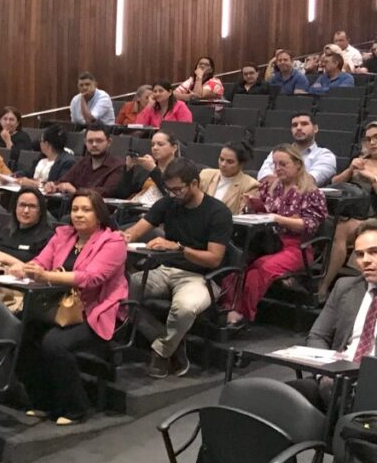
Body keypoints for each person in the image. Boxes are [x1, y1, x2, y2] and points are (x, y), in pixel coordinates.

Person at [8, 189, 127, 425]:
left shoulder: (113, 242)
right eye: (74, 209)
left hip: (94, 312)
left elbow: (91, 278)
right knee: (19, 333)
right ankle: (42, 402)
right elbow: (41, 261)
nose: (78, 215)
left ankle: (75, 407)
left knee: (53, 343)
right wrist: (28, 268)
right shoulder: (63, 235)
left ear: (99, 214)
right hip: (56, 306)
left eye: (86, 210)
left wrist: (46, 275)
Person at [124, 159, 234, 378]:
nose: (173, 195)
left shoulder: (218, 212)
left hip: (201, 276)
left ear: (194, 184)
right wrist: (117, 238)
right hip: (166, 270)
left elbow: (214, 259)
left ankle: (162, 351)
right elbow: (135, 232)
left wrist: (180, 248)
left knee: (184, 308)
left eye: (177, 189)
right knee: (122, 291)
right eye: (169, 190)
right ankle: (172, 341)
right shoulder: (168, 203)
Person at [222, 145, 327, 326]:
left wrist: (279, 219)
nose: (278, 169)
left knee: (261, 267)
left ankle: (243, 313)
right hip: (268, 241)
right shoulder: (271, 187)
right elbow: (265, 212)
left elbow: (309, 224)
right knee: (236, 260)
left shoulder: (311, 193)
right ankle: (228, 307)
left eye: (283, 164)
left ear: (298, 165)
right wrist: (254, 205)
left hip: (297, 246)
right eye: (275, 164)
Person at [291, 220, 377, 413]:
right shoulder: (345, 287)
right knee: (276, 398)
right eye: (360, 254)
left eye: (374, 252)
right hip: (338, 377)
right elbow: (317, 336)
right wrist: (327, 374)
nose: (366, 260)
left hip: (372, 386)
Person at [324, 121, 377, 293]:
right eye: (368, 139)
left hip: (372, 215)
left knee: (341, 229)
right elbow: (334, 184)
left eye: (376, 137)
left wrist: (369, 176)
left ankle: (323, 287)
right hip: (350, 211)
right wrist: (350, 170)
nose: (372, 142)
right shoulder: (361, 160)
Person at [257, 112, 336, 187]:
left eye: (304, 124)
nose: (298, 128)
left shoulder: (325, 155)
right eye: (294, 125)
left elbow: (309, 181)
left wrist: (277, 180)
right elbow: (263, 178)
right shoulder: (278, 152)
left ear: (315, 129)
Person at [44, 123, 123, 198]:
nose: (94, 144)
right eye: (90, 141)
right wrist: (53, 185)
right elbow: (63, 180)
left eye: (99, 141)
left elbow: (107, 191)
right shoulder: (82, 163)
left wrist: (76, 192)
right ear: (85, 142)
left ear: (109, 142)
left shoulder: (117, 165)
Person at [0, 188, 55, 264]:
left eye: (32, 206)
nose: (26, 211)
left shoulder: (48, 237)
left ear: (41, 210)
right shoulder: (4, 230)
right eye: (22, 205)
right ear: (15, 208)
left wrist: (6, 259)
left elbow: (37, 271)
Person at [110, 131, 181, 207]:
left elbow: (172, 194)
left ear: (174, 147)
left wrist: (153, 170)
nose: (155, 148)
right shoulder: (145, 170)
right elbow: (122, 194)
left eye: (160, 144)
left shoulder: (180, 169)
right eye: (152, 145)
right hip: (137, 209)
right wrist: (128, 169)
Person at [198, 142, 259, 215]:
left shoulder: (250, 185)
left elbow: (243, 217)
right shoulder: (205, 175)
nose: (223, 164)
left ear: (241, 164)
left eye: (230, 162)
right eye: (221, 159)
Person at [18, 122, 76, 188]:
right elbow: (29, 172)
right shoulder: (42, 157)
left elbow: (60, 184)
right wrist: (15, 176)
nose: (40, 143)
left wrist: (36, 184)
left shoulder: (67, 162)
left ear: (47, 144)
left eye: (41, 140)